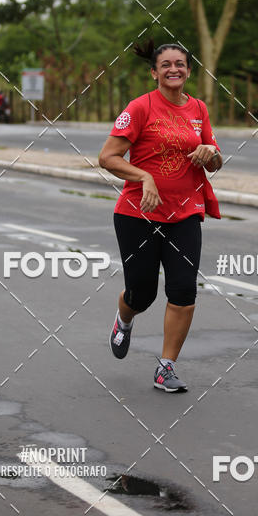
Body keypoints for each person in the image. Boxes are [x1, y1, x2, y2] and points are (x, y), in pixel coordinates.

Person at [98, 41, 222, 393]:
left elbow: (215, 161)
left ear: (188, 70)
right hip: (138, 214)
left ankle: (166, 367)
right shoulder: (140, 108)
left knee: (184, 290)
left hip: (185, 212)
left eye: (180, 64)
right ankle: (125, 318)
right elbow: (108, 156)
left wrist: (210, 151)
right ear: (154, 72)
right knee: (143, 292)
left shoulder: (198, 108)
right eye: (165, 64)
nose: (173, 69)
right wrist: (144, 177)